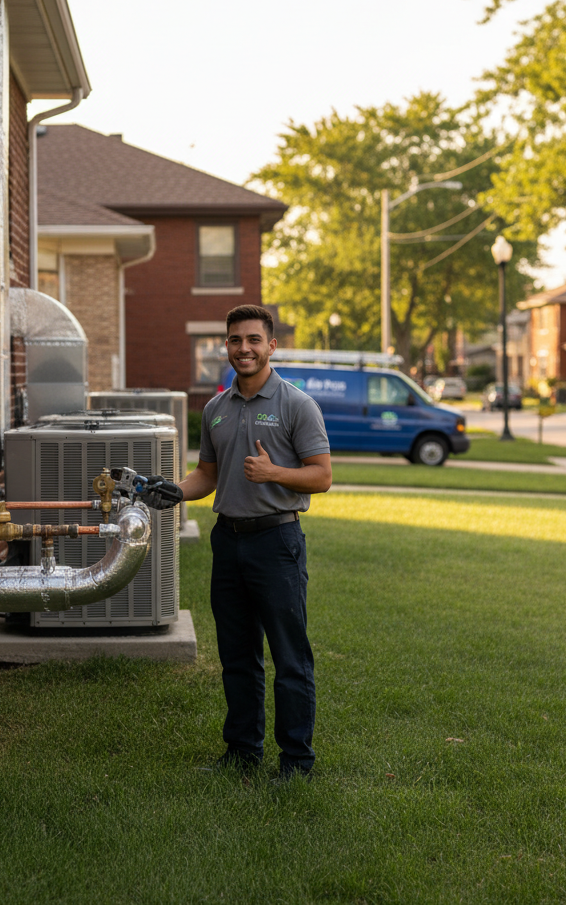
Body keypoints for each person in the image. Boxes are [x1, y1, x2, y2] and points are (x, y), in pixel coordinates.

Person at [177, 304, 332, 779]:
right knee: (237, 656)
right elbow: (207, 475)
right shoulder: (215, 409)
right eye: (235, 340)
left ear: (271, 346)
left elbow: (322, 476)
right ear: (226, 346)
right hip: (228, 542)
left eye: (253, 340)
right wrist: (172, 492)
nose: (244, 349)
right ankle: (243, 752)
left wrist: (273, 473)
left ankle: (296, 760)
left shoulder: (297, 405)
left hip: (276, 540)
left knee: (289, 657)